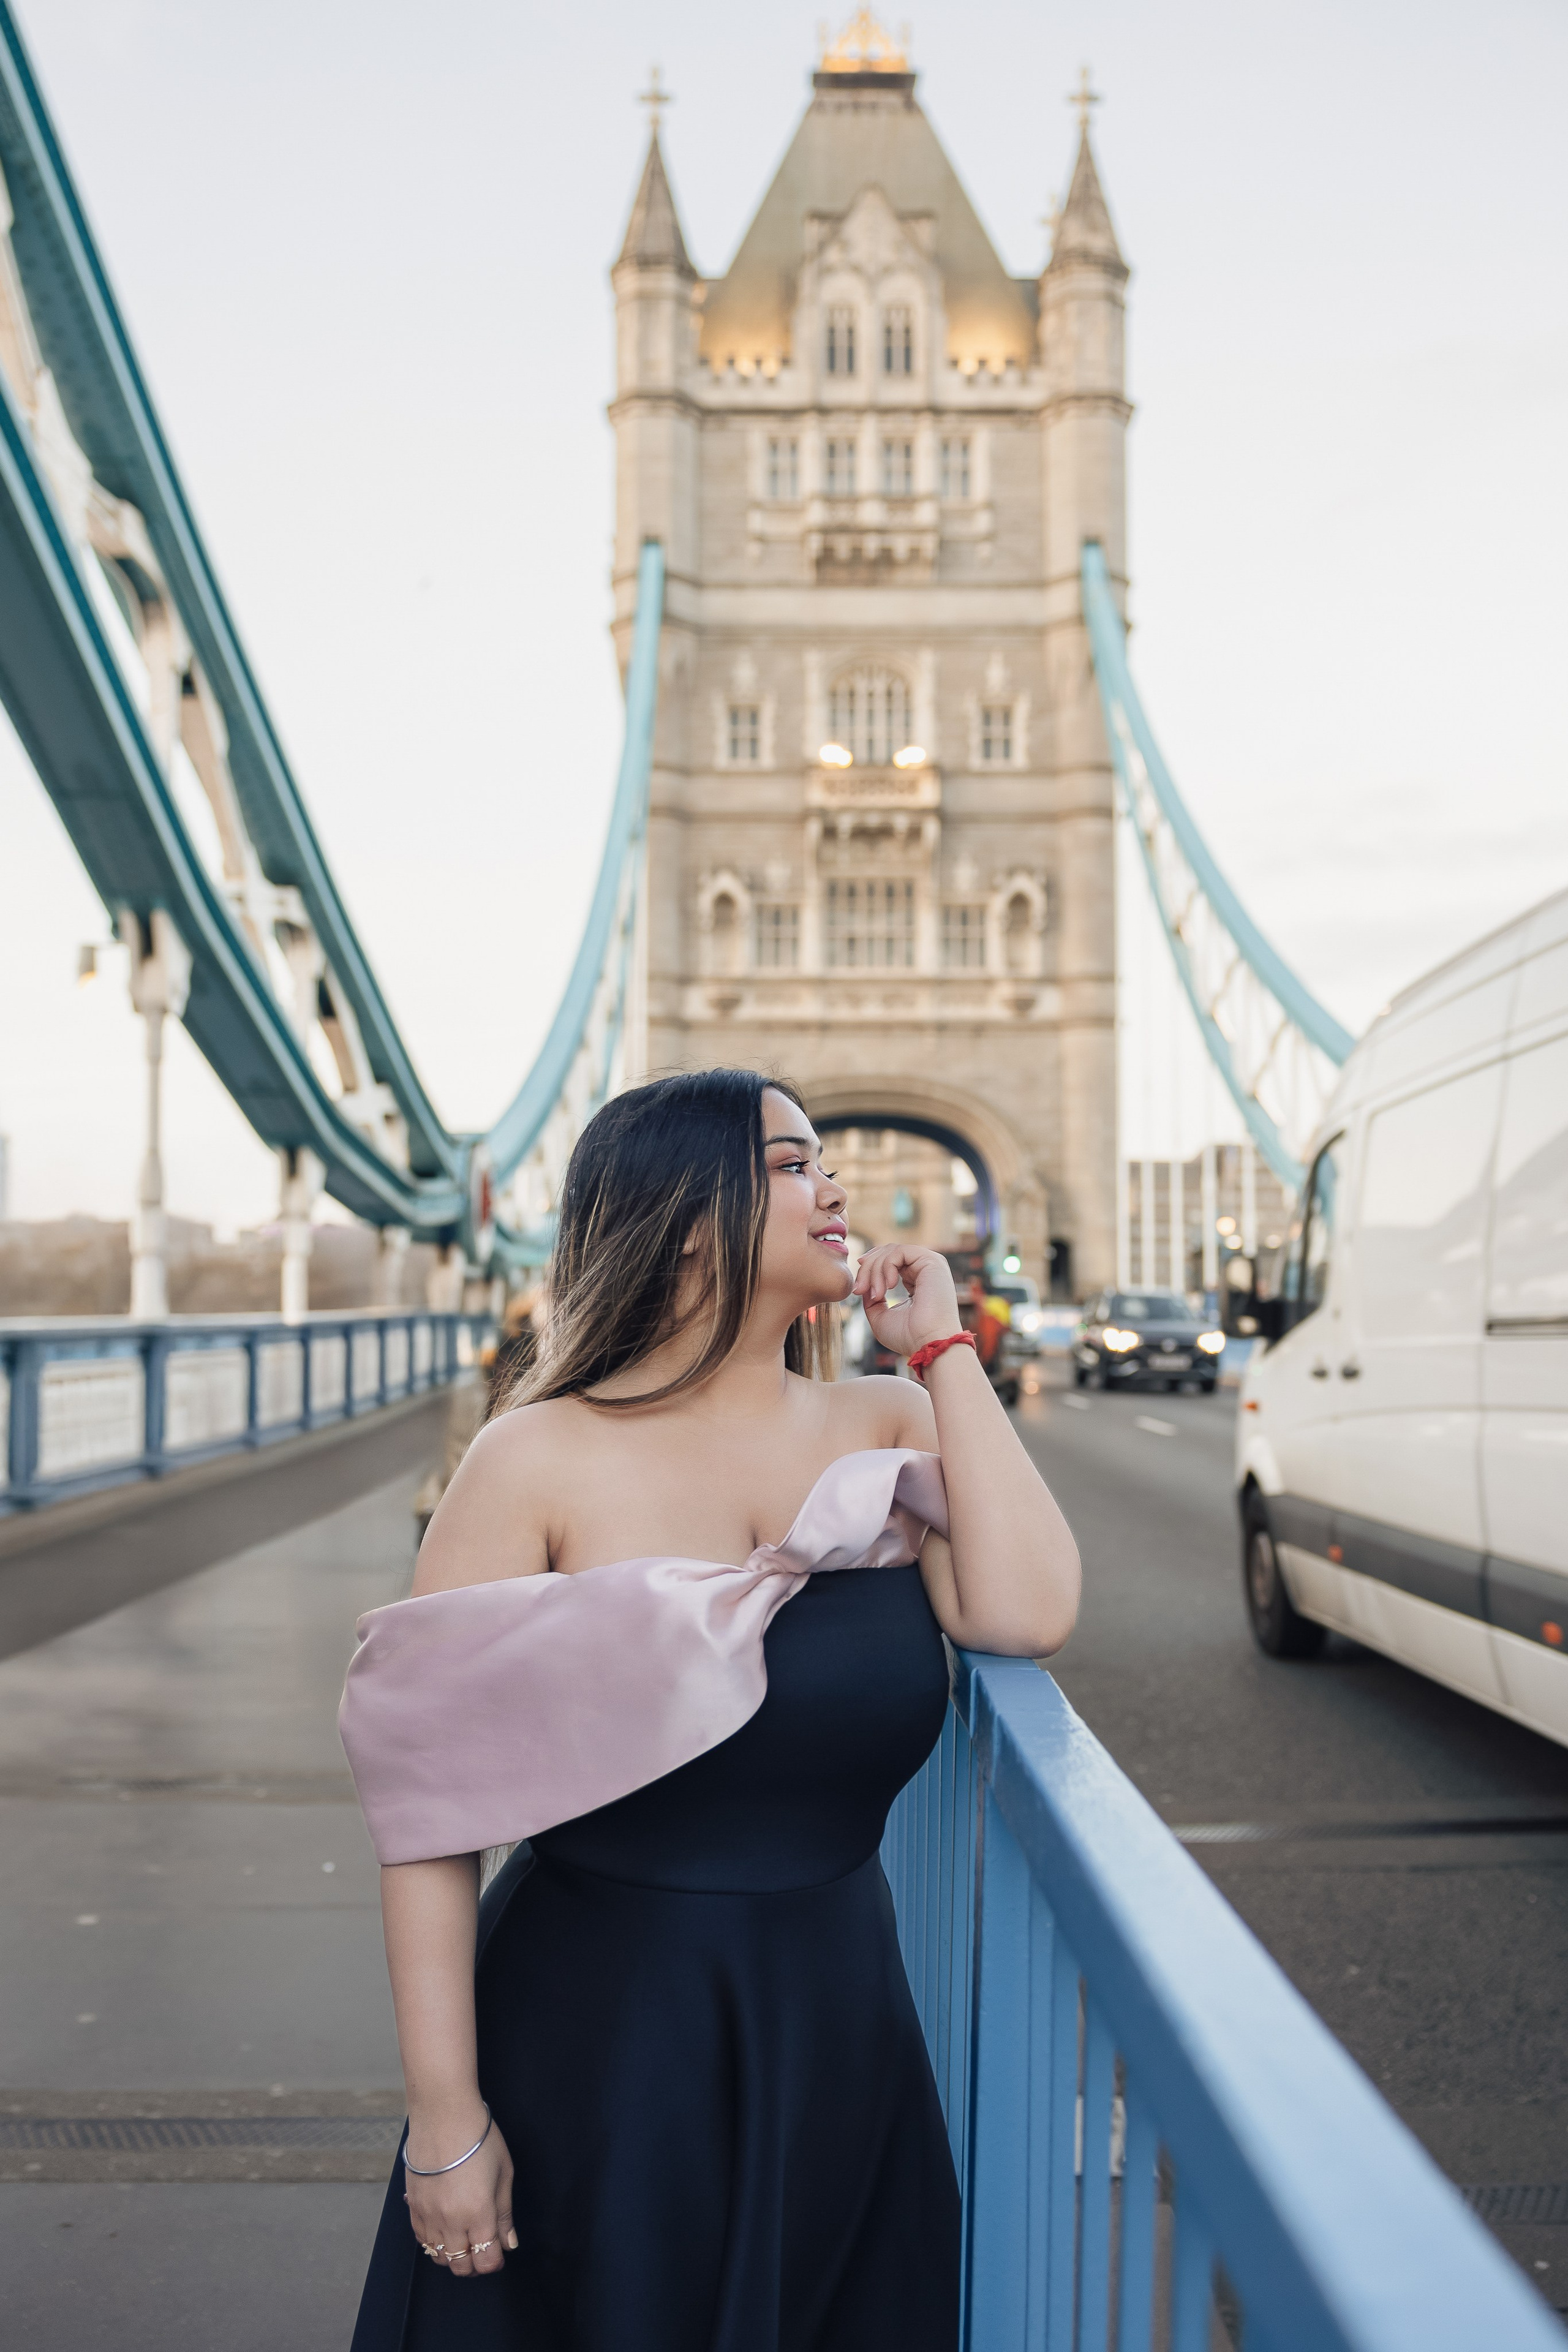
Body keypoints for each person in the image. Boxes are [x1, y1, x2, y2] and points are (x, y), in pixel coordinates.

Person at [340, 1069, 1080, 2352]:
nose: (833, 1186)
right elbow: (428, 1818)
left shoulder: (887, 1420)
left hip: (839, 2030)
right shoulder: (534, 1457)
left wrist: (944, 1350)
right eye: (793, 1164)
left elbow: (1023, 1613)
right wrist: (446, 2118)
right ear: (687, 1217)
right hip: (596, 2042)